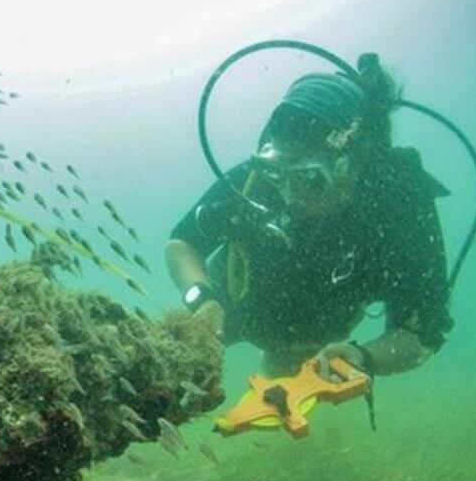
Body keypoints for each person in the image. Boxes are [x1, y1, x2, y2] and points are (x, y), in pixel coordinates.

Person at [166, 54, 454, 378]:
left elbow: (421, 336)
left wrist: (363, 358)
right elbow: (182, 241)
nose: (289, 196)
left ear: (352, 165)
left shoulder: (397, 203)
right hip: (235, 310)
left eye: (309, 179)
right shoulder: (257, 182)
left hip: (329, 328)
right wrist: (201, 299)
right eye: (278, 176)